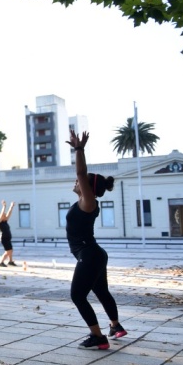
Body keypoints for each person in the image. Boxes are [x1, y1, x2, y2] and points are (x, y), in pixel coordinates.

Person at [66, 130, 126, 350]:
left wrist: (79, 149)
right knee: (101, 291)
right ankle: (115, 325)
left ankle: (98, 337)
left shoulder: (88, 203)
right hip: (94, 254)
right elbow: (82, 177)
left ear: (86, 188)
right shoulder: (84, 203)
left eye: (79, 182)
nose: (75, 181)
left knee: (77, 295)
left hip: (90, 255)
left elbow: (82, 173)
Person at [0, 200, 17, 267]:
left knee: (11, 250)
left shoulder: (5, 221)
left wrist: (11, 206)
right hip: (4, 238)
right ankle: (1, 262)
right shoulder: (0, 222)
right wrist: (4, 206)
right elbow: (2, 213)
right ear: (1, 216)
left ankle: (10, 261)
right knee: (8, 251)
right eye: (4, 215)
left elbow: (9, 213)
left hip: (7, 238)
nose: (5, 215)